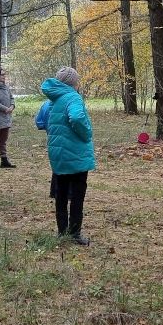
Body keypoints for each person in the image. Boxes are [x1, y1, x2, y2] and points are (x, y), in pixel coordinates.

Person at [42, 67, 95, 245]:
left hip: (57, 151)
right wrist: (87, 134)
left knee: (61, 193)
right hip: (75, 152)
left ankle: (62, 231)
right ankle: (74, 233)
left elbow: (44, 120)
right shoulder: (73, 97)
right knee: (78, 194)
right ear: (73, 82)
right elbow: (77, 118)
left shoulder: (54, 98)